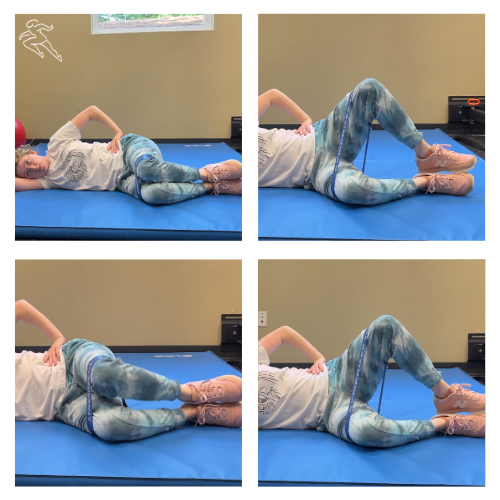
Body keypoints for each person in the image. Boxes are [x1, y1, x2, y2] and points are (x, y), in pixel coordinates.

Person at [15, 300, 242, 442]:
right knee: (112, 426)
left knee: (106, 375)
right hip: (65, 406)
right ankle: (193, 413)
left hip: (71, 360)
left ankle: (190, 392)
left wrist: (57, 338)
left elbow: (19, 307)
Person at [258, 315, 485, 447]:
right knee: (368, 431)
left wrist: (317, 357)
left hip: (337, 373)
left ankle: (446, 395)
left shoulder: (248, 367)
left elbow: (283, 333)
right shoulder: (233, 406)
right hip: (329, 414)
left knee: (386, 326)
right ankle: (444, 422)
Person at [258, 79, 476, 205]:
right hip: (315, 174)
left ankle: (427, 155)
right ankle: (425, 182)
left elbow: (272, 95)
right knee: (352, 189)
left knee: (369, 89)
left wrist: (305, 119)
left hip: (323, 133)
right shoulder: (231, 166)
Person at [15, 105, 242, 204]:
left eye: (28, 161)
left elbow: (91, 111)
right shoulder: (47, 181)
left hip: (129, 150)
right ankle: (214, 187)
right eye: (27, 173)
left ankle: (207, 173)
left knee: (146, 169)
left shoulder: (56, 143)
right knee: (154, 195)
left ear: (32, 152)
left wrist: (117, 132)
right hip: (122, 181)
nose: (32, 168)